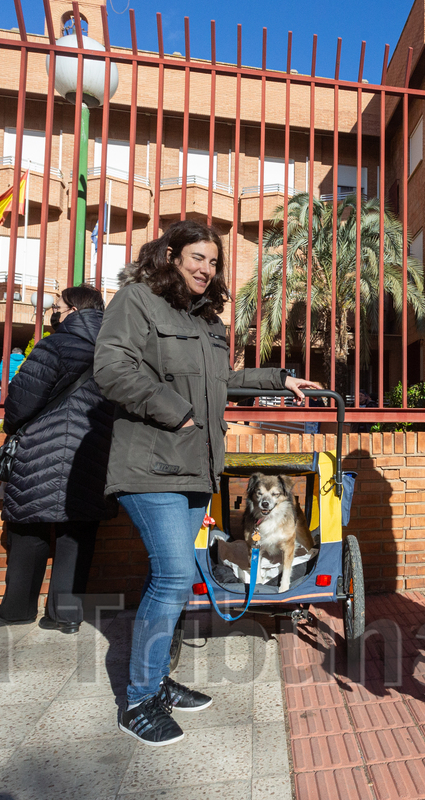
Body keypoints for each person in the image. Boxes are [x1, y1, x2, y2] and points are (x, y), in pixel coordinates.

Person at [95, 220, 319, 746]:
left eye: (214, 262)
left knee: (173, 580)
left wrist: (279, 380)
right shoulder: (136, 300)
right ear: (170, 255)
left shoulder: (202, 319)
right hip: (151, 465)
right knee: (173, 578)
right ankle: (139, 699)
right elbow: (110, 367)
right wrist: (177, 412)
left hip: (196, 467)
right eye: (197, 258)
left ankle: (157, 681)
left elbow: (222, 381)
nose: (206, 269)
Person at [0, 285, 116, 635]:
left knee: (29, 528)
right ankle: (65, 615)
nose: (53, 313)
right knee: (78, 530)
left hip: (43, 449)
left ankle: (16, 609)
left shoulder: (55, 345)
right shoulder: (117, 349)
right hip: (96, 451)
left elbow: (20, 400)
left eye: (57, 307)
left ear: (74, 311)